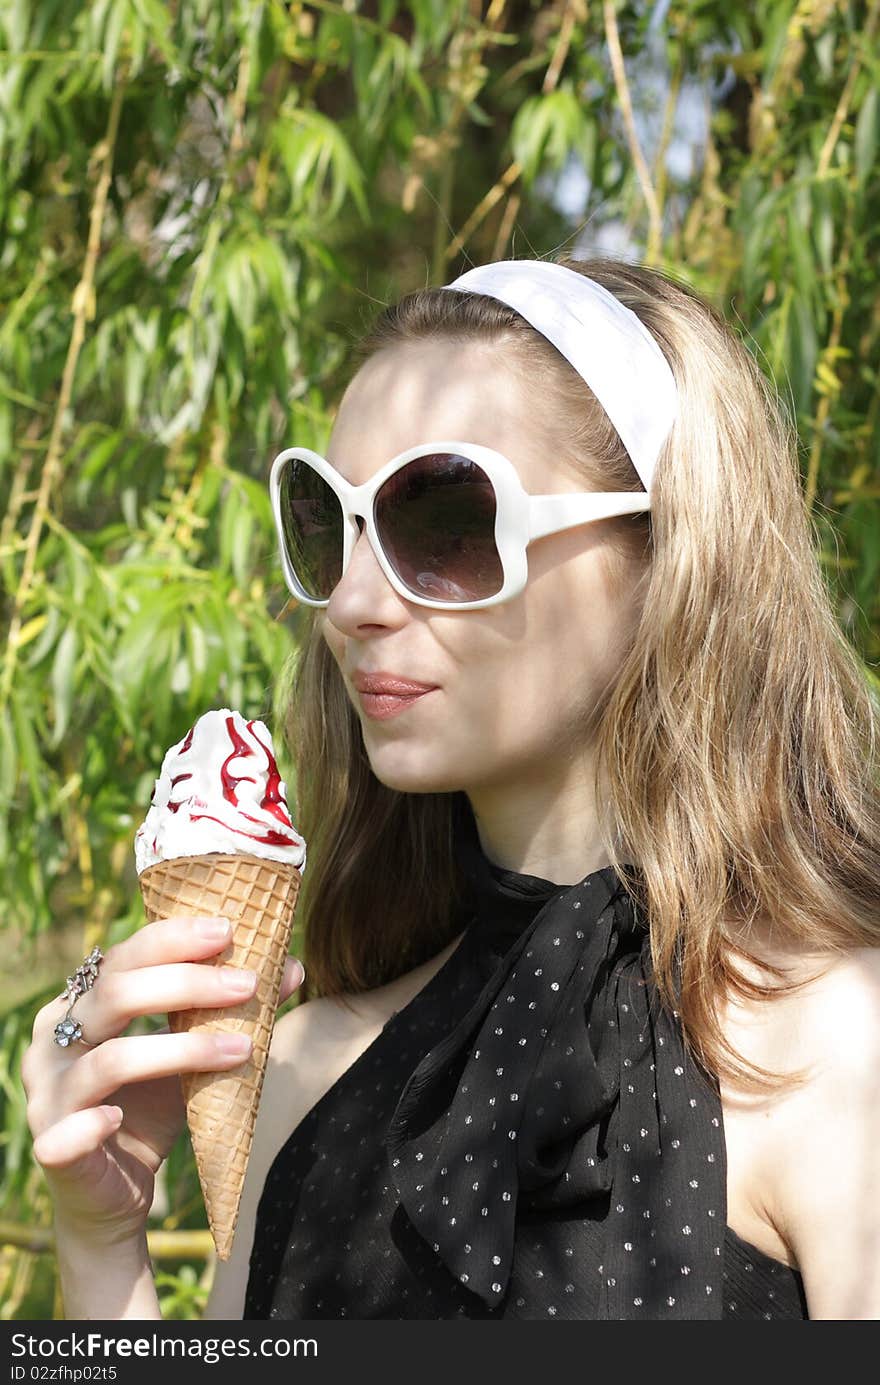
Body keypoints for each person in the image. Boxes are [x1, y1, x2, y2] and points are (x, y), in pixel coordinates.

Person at [22, 255, 880, 1321]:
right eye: (329, 523)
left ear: (667, 550)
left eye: (442, 521)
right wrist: (104, 1245)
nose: (353, 603)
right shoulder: (300, 1069)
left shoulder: (835, 1050)